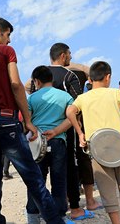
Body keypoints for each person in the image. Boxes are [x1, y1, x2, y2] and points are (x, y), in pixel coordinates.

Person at [0, 17, 73, 224]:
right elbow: (15, 84)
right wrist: (28, 120)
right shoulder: (6, 52)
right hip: (5, 118)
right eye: (8, 35)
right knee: (33, 177)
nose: (9, 40)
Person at [67, 61, 120, 224]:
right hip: (119, 147)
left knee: (106, 188)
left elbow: (70, 111)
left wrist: (81, 134)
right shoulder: (115, 93)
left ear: (90, 79)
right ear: (108, 77)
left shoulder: (82, 98)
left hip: (97, 149)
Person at [45, 43, 99, 219]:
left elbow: (27, 85)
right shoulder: (69, 75)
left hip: (46, 130)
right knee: (76, 164)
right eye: (69, 54)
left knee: (50, 168)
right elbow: (76, 106)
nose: (71, 57)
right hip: (70, 128)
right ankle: (81, 205)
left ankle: (57, 204)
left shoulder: (41, 74)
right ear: (62, 56)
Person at [25, 66, 75, 224]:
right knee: (59, 180)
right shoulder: (65, 96)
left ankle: (33, 216)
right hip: (58, 141)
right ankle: (60, 216)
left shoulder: (32, 98)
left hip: (37, 143)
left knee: (36, 181)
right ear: (51, 80)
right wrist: (56, 130)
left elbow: (27, 121)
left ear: (37, 81)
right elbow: (72, 119)